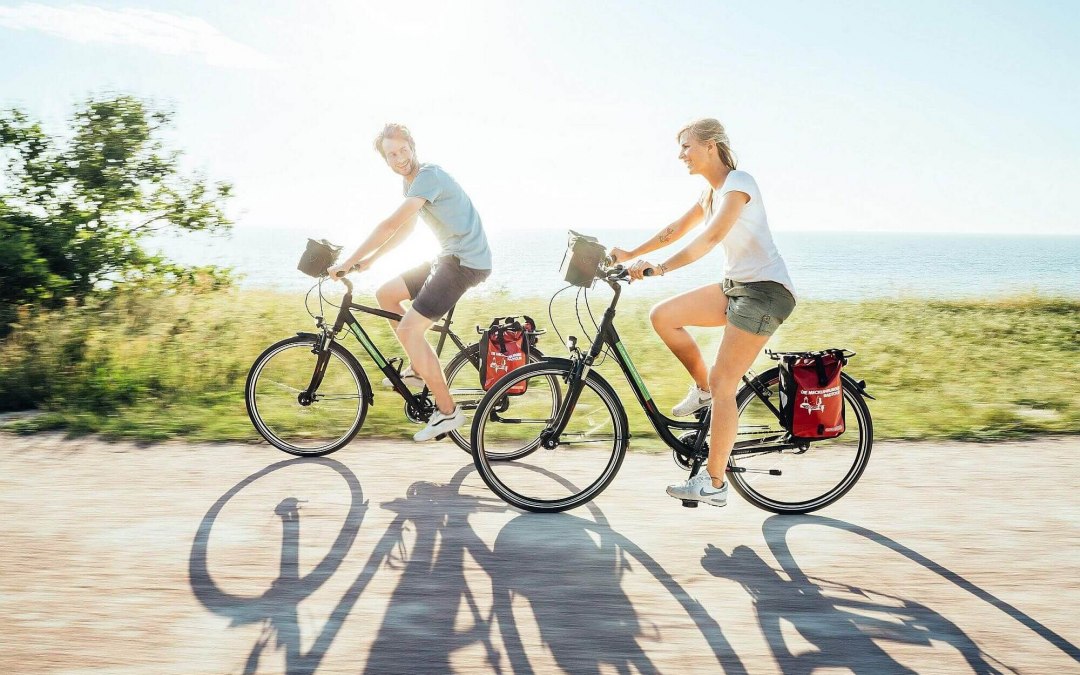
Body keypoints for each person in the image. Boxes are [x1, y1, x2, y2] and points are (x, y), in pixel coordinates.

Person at [610, 118, 796, 507]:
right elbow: (676, 229)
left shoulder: (739, 184)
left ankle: (714, 483)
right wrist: (631, 253)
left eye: (686, 146)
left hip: (765, 294)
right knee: (663, 316)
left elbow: (710, 238)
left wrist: (659, 268)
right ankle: (703, 390)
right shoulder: (710, 193)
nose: (681, 155)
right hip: (735, 288)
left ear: (711, 146)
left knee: (726, 381)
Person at [327, 123, 492, 442]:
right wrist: (372, 260)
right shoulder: (411, 184)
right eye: (392, 154)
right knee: (386, 294)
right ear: (385, 160)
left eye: (403, 150)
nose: (400, 158)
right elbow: (404, 230)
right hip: (450, 257)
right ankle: (419, 369)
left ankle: (448, 412)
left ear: (413, 148)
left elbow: (389, 224)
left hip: (465, 262)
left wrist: (347, 262)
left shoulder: (429, 175)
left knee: (408, 330)